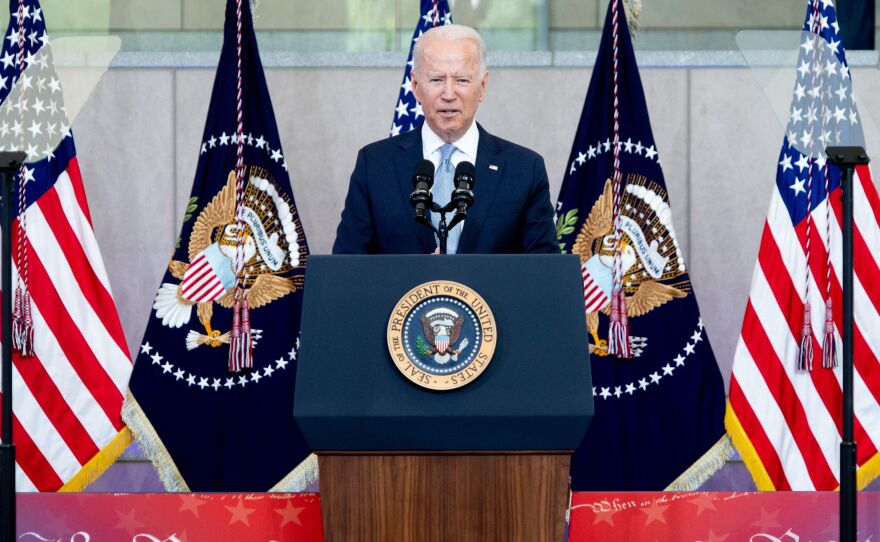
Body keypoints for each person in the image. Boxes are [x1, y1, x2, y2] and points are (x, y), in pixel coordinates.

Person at [332, 24, 558, 255]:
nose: (449, 95)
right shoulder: (375, 165)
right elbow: (346, 266)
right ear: (416, 86)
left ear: (482, 86)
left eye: (461, 80)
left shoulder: (523, 169)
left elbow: (545, 273)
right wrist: (415, 279)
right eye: (436, 80)